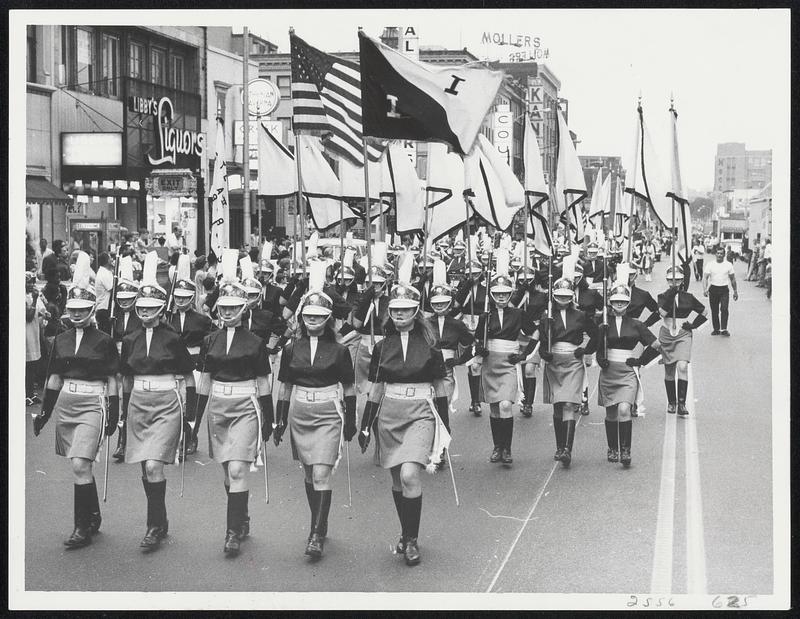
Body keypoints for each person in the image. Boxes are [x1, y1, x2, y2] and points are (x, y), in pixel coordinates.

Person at [357, 261, 450, 567]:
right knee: (398, 481)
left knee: (411, 475)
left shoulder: (431, 347)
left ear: (416, 312)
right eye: (395, 309)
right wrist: (365, 425)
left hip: (421, 414)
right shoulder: (382, 347)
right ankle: (406, 531)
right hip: (390, 415)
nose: (399, 314)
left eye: (405, 309)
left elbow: (440, 387)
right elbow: (375, 389)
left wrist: (444, 429)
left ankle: (411, 540)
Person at [31, 260, 120, 548]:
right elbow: (55, 378)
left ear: (93, 310)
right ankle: (93, 516)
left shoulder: (105, 341)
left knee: (81, 463)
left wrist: (115, 411)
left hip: (93, 403)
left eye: (83, 310)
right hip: (67, 406)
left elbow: (113, 379)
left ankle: (81, 527)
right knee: (79, 465)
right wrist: (44, 414)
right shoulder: (61, 339)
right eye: (74, 310)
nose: (78, 314)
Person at [272, 264, 356, 559]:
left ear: (328, 319)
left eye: (319, 317)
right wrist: (279, 420)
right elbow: (284, 387)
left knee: (321, 472)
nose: (313, 321)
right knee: (309, 474)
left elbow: (349, 387)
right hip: (300, 413)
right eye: (309, 316)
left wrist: (352, 421)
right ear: (302, 317)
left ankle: (316, 533)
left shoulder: (340, 351)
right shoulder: (291, 349)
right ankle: (319, 521)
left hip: (328, 413)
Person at [194, 270, 274, 557]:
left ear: (243, 308)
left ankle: (232, 534)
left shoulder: (254, 342)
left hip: (245, 407)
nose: (227, 311)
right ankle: (241, 517)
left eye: (233, 306)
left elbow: (264, 382)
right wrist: (194, 418)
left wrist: (269, 417)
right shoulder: (210, 340)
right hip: (218, 407)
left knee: (239, 469)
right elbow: (204, 380)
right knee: (228, 472)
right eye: (223, 306)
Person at [119, 253, 195, 551]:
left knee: (153, 465)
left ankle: (153, 527)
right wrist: (122, 412)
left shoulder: (173, 337)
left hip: (166, 403)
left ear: (162, 308)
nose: (145, 312)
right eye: (141, 307)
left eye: (152, 308)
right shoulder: (129, 339)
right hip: (138, 402)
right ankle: (160, 520)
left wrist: (189, 412)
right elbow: (125, 377)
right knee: (144, 466)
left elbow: (188, 377)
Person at [474, 254, 536, 465]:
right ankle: (497, 446)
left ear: (510, 294)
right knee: (493, 407)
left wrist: (524, 355)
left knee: (506, 406)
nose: (501, 297)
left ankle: (507, 448)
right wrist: (479, 350)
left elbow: (535, 333)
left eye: (505, 293)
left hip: (508, 364)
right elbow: (476, 340)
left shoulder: (518, 314)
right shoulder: (485, 315)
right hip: (490, 364)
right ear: (491, 295)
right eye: (497, 294)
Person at [596, 283, 661, 466]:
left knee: (624, 409)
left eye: (622, 302)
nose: (619, 305)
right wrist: (601, 359)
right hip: (609, 373)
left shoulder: (637, 324)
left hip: (627, 372)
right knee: (611, 413)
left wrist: (640, 361)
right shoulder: (603, 325)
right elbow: (597, 347)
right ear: (610, 302)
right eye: (616, 301)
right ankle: (612, 448)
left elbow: (656, 346)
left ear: (628, 304)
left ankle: (625, 450)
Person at [538, 275, 599, 467]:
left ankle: (567, 449)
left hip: (573, 362)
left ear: (572, 296)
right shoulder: (547, 316)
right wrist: (544, 353)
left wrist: (586, 350)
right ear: (554, 296)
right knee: (558, 405)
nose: (563, 299)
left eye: (566, 296)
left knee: (568, 405)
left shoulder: (580, 315)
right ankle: (559, 446)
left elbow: (596, 335)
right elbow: (542, 341)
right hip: (554, 362)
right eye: (559, 296)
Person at [167, 254, 216, 456]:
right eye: (177, 297)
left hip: (194, 364)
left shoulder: (201, 320)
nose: (180, 301)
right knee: (174, 403)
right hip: (172, 365)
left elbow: (210, 341)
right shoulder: (166, 318)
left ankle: (190, 436)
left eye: (185, 298)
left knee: (191, 405)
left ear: (191, 298)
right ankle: (176, 437)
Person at [657, 266, 708, 416]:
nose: (675, 282)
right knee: (669, 369)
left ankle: (682, 404)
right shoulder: (662, 296)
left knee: (683, 366)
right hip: (667, 334)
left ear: (682, 280)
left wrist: (694, 325)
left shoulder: (689, 297)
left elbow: (704, 312)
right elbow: (662, 313)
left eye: (678, 279)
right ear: (667, 281)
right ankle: (672, 402)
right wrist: (671, 295)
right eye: (672, 280)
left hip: (683, 334)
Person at [452, 258, 487, 416]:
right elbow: (456, 306)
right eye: (470, 274)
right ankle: (474, 399)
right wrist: (466, 286)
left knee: (476, 366)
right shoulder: (463, 289)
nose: (473, 275)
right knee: (470, 365)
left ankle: (476, 400)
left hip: (481, 327)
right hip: (466, 328)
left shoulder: (486, 289)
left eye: (476, 273)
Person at [703, 246, 738, 336]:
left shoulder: (728, 265)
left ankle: (724, 329)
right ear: (715, 254)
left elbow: (733, 279)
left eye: (721, 253)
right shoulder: (710, 264)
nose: (719, 255)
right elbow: (705, 278)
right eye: (718, 253)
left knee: (724, 309)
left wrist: (735, 291)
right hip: (713, 289)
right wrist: (705, 289)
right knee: (714, 311)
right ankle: (716, 329)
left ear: (724, 254)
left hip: (724, 290)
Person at [26, 271, 46, 405]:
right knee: (27, 365)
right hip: (25, 334)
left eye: (33, 282)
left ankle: (30, 394)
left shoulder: (31, 295)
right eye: (29, 282)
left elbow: (37, 312)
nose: (31, 284)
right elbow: (27, 316)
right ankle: (26, 395)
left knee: (33, 364)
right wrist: (34, 300)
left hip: (34, 333)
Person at [94, 252, 115, 334]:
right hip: (103, 308)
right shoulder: (103, 273)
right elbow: (112, 288)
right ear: (107, 261)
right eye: (110, 258)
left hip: (107, 307)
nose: (112, 260)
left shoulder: (107, 271)